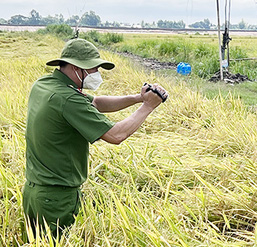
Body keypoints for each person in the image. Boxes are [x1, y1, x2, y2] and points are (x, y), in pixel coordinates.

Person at [24, 38, 167, 236]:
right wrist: (148, 106)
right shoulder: (68, 99)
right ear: (76, 68)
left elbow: (97, 103)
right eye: (93, 69)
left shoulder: (44, 85)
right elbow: (116, 135)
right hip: (57, 199)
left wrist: (137, 98)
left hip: (34, 192)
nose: (96, 74)